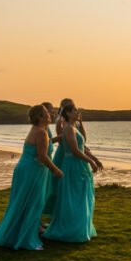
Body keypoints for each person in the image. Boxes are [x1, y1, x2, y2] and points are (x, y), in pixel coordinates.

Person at [0, 105, 63, 250]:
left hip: (26, 169)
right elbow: (42, 156)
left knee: (22, 202)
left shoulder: (36, 130)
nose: (49, 115)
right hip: (33, 171)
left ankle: (16, 233)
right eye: (45, 113)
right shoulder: (41, 132)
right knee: (33, 204)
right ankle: (26, 239)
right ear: (39, 117)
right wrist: (55, 170)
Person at [43, 103, 98, 243]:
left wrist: (91, 159)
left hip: (79, 165)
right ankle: (71, 229)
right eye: (74, 110)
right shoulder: (68, 129)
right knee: (73, 196)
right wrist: (91, 161)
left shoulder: (74, 128)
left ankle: (80, 227)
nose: (77, 111)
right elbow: (75, 150)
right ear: (67, 113)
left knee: (81, 195)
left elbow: (82, 143)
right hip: (73, 165)